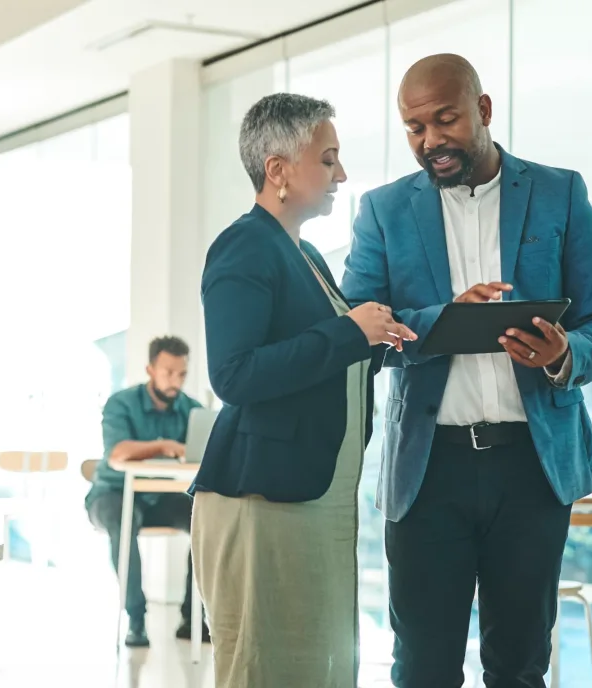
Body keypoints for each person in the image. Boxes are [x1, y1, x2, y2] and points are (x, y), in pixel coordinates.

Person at [341, 54, 592, 687]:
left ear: (484, 110)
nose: (431, 141)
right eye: (415, 128)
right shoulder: (383, 211)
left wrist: (563, 356)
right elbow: (359, 333)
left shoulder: (560, 193)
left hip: (532, 466)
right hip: (427, 471)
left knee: (520, 665)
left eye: (446, 120)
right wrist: (442, 321)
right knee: (422, 667)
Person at [191, 93, 416, 687]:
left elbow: (323, 359)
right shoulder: (245, 246)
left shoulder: (306, 254)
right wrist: (347, 334)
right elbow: (234, 375)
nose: (341, 174)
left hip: (311, 498)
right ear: (278, 171)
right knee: (266, 666)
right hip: (263, 500)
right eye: (328, 158)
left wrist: (377, 341)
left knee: (315, 664)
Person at [84, 335, 208, 648]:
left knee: (204, 518)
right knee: (123, 521)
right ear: (150, 369)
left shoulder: (192, 410)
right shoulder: (120, 403)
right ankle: (136, 620)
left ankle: (192, 619)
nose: (175, 381)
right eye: (168, 372)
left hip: (161, 496)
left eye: (181, 373)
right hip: (111, 494)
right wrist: (165, 446)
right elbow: (118, 453)